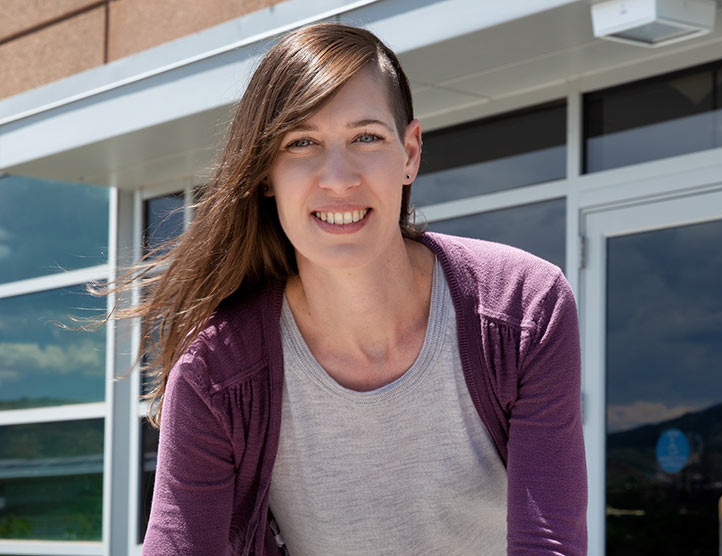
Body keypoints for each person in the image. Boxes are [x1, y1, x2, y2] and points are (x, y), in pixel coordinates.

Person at [126, 22, 586, 555]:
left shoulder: (524, 307)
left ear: (410, 152)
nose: (338, 177)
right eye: (302, 143)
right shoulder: (216, 374)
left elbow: (548, 543)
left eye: (366, 136)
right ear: (265, 175)